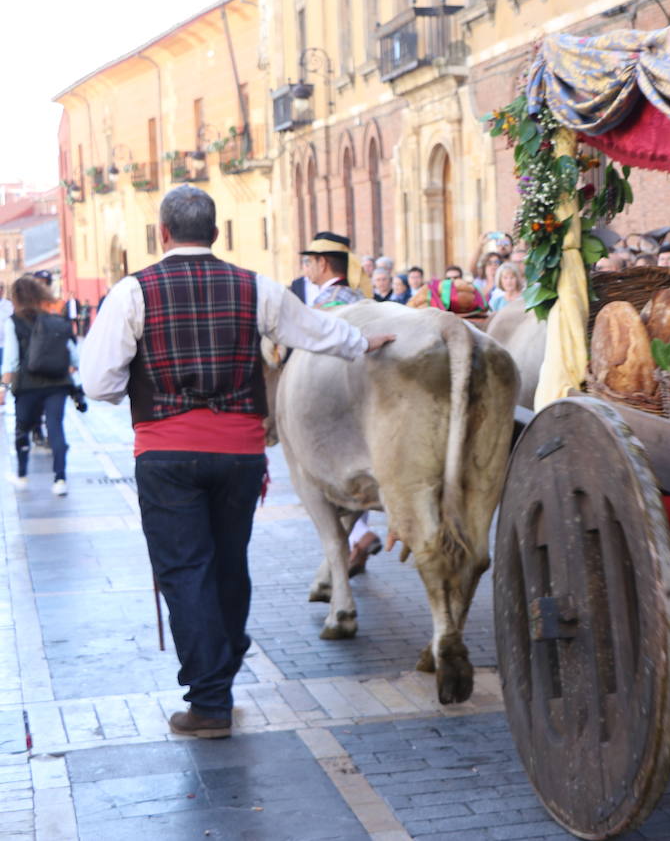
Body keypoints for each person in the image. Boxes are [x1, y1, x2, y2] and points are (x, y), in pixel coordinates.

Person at [79, 186, 394, 739]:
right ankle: (221, 668)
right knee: (228, 564)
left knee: (185, 572)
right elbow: (316, 331)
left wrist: (151, 383)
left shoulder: (134, 292)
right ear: (217, 234)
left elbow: (100, 384)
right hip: (239, 454)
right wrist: (364, 344)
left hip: (167, 452)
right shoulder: (255, 287)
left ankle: (210, 701)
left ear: (163, 234)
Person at [2, 275, 79, 494]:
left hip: (27, 386)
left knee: (23, 429)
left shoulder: (13, 322)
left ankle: (23, 475)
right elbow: (72, 353)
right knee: (56, 427)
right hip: (57, 383)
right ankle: (60, 479)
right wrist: (72, 367)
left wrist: (4, 388)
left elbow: (12, 359)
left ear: (16, 297)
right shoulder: (52, 319)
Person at [300, 232, 371, 307]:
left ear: (322, 262)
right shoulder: (357, 292)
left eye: (309, 261)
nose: (308, 267)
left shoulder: (329, 301)